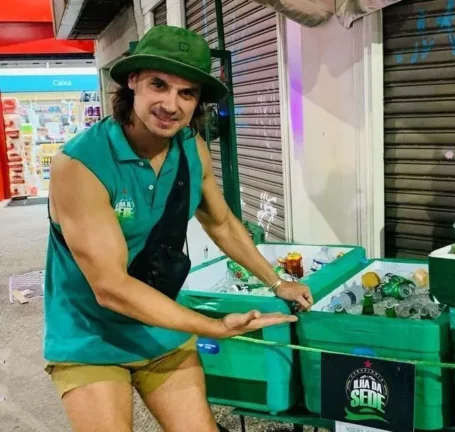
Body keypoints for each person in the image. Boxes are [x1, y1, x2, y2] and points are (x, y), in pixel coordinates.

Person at [44, 25, 313, 432]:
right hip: (88, 334)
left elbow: (221, 222)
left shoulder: (191, 148)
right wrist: (212, 327)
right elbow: (110, 287)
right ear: (132, 81)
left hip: (160, 324)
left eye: (186, 93)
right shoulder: (81, 165)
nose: (171, 104)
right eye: (159, 85)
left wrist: (276, 282)